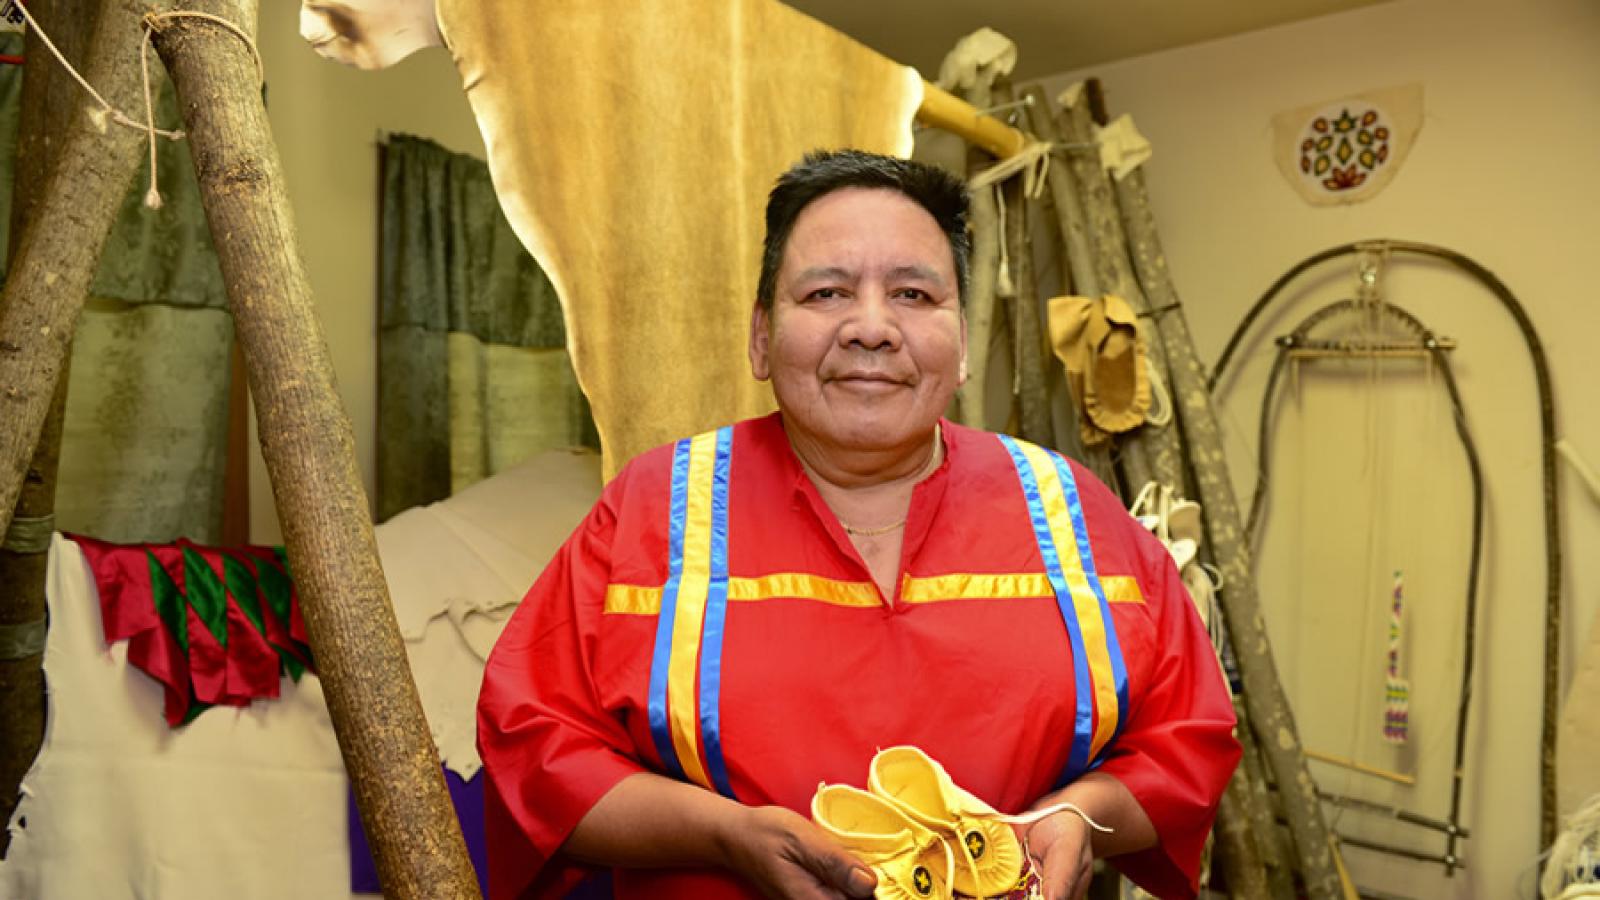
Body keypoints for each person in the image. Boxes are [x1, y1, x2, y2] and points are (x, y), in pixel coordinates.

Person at [478, 149, 1240, 900]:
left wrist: (1078, 818)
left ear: (964, 345)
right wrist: (722, 836)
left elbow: (1189, 740)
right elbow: (533, 746)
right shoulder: (656, 506)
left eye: (913, 295)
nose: (871, 328)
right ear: (760, 337)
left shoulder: (1068, 508)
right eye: (826, 294)